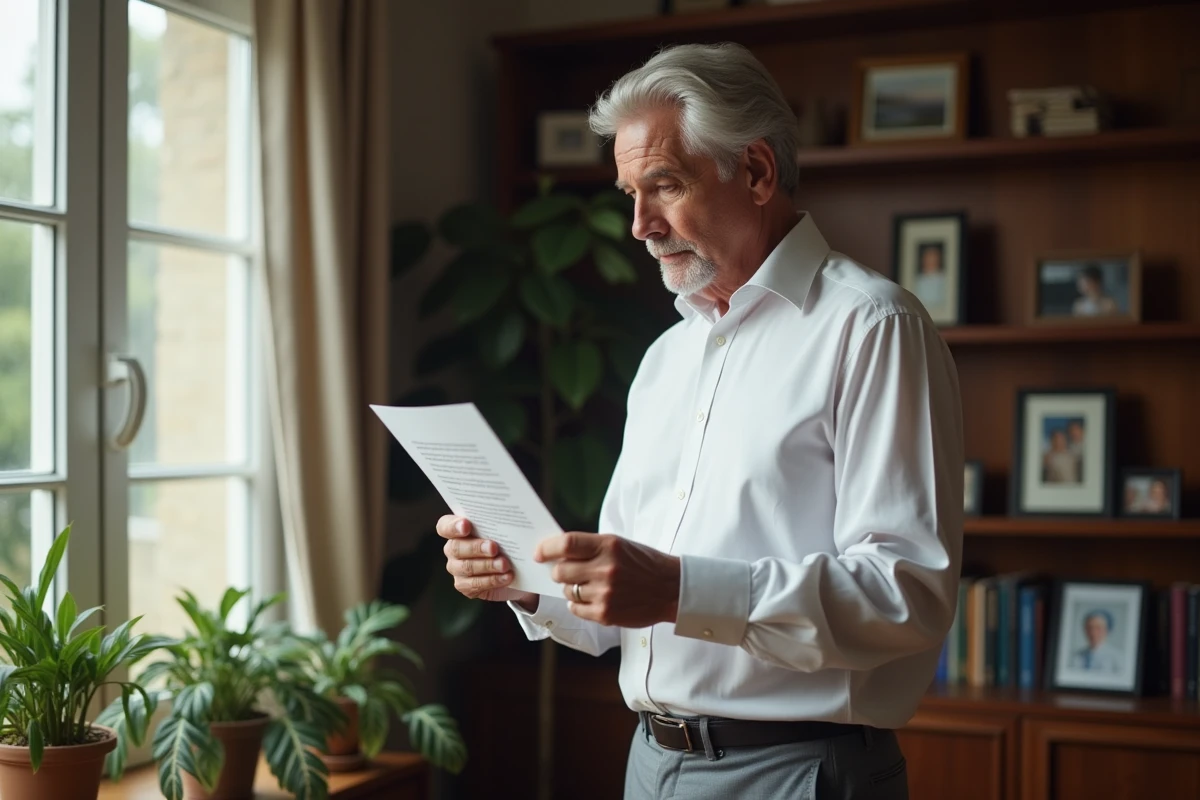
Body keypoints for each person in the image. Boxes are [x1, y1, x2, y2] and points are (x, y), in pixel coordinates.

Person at [436, 42, 963, 800]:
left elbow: (906, 594)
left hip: (798, 773)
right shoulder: (665, 359)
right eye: (629, 194)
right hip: (651, 764)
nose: (640, 225)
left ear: (754, 172)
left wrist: (679, 591)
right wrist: (521, 580)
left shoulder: (871, 326)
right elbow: (620, 606)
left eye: (664, 185)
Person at [912, 242, 946, 310]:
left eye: (933, 257)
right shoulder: (917, 280)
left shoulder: (944, 279)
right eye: (928, 257)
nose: (931, 261)